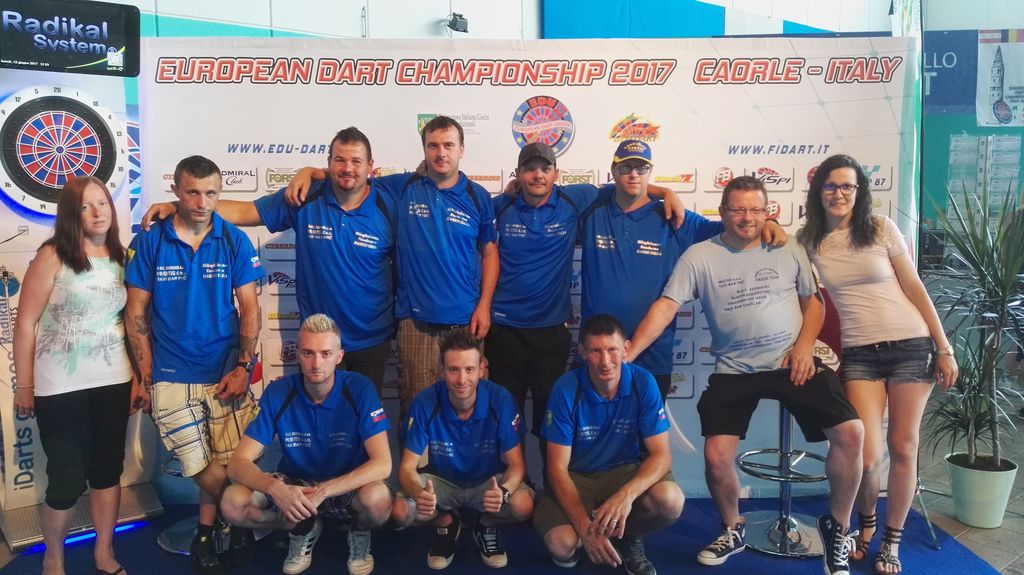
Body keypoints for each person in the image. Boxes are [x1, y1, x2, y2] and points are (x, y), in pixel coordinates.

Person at [629, 176, 864, 575]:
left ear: (767, 212)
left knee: (852, 433)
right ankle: (732, 528)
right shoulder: (699, 256)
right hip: (734, 369)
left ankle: (837, 529)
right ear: (722, 212)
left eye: (755, 209)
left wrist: (805, 345)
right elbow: (666, 307)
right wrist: (629, 354)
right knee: (716, 456)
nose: (747, 217)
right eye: (737, 209)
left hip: (792, 361)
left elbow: (814, 304)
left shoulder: (788, 246)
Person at [140, 128, 396, 394]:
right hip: (318, 341)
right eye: (340, 160)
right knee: (321, 414)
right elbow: (245, 211)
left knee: (365, 415)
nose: (348, 168)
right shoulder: (307, 195)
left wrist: (309, 170)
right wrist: (178, 206)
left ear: (370, 166)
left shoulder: (389, 200)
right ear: (328, 162)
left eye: (356, 161)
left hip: (372, 339)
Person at [798, 155, 958, 575]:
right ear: (818, 191)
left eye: (847, 186)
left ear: (859, 191)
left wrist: (944, 347)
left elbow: (916, 288)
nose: (838, 193)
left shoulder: (881, 228)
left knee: (903, 446)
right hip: (860, 354)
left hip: (911, 345)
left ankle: (891, 540)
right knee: (867, 456)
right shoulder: (809, 241)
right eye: (830, 186)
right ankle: (865, 525)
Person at [487, 142, 686, 472]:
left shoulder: (576, 198)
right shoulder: (500, 206)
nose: (537, 175)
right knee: (507, 417)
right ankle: (513, 485)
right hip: (503, 330)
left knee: (552, 420)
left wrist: (665, 191)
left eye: (545, 168)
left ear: (556, 173)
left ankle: (552, 488)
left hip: (550, 333)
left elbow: (627, 185)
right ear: (518, 174)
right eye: (529, 169)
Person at [286, 116, 498, 419]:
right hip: (415, 321)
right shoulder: (402, 187)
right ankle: (414, 454)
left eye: (449, 145)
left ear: (461, 149)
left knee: (469, 405)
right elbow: (353, 176)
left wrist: (485, 305)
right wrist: (309, 172)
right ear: (424, 149)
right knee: (416, 407)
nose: (441, 153)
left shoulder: (478, 197)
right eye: (433, 146)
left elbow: (490, 252)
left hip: (467, 318)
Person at [125, 155, 264, 575]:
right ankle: (247, 514)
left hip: (224, 373)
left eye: (210, 193)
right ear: (176, 191)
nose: (202, 202)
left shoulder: (234, 239)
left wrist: (244, 366)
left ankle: (210, 532)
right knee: (198, 465)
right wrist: (146, 376)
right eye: (192, 192)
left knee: (225, 460)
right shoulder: (151, 240)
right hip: (170, 374)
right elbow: (135, 313)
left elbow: (251, 308)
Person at [578, 140, 785, 400]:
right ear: (613, 170)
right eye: (626, 167)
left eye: (641, 168)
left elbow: (732, 228)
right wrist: (664, 190)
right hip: (597, 352)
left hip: (652, 356)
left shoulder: (672, 216)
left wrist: (768, 222)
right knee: (588, 425)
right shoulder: (593, 208)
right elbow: (556, 195)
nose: (634, 174)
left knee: (647, 427)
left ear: (650, 171)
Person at [12, 176, 136, 575]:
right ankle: (53, 559)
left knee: (107, 471)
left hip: (113, 380)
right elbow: (25, 322)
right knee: (66, 478)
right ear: (72, 214)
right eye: (86, 206)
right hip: (59, 386)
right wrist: (24, 385)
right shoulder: (53, 255)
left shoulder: (123, 257)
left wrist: (139, 377)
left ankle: (104, 553)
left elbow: (132, 322)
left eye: (102, 203)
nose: (98, 212)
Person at [220, 314, 392, 575]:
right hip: (295, 485)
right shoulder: (278, 392)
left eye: (325, 354)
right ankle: (299, 526)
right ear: (297, 355)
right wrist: (277, 489)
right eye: (308, 353)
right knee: (232, 503)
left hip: (343, 485)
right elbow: (238, 464)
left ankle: (359, 531)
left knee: (379, 501)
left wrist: (324, 491)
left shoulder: (360, 388)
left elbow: (383, 464)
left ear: (339, 356)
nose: (316, 363)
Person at [535, 314, 684, 575]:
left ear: (626, 348)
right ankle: (594, 531)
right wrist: (584, 528)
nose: (605, 361)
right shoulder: (565, 389)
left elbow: (662, 456)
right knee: (563, 545)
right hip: (577, 477)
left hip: (623, 472)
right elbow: (556, 469)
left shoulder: (643, 382)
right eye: (596, 351)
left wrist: (625, 497)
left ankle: (628, 536)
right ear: (582, 352)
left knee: (670, 501)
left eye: (612, 350)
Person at [392, 330, 533, 570]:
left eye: (469, 369)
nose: (461, 379)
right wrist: (419, 494)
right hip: (440, 484)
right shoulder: (425, 402)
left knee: (523, 505)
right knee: (400, 512)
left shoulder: (501, 400)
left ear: (482, 368)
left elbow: (517, 465)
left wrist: (503, 492)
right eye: (453, 370)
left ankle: (485, 524)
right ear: (441, 370)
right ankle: (446, 523)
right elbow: (406, 468)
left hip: (486, 483)